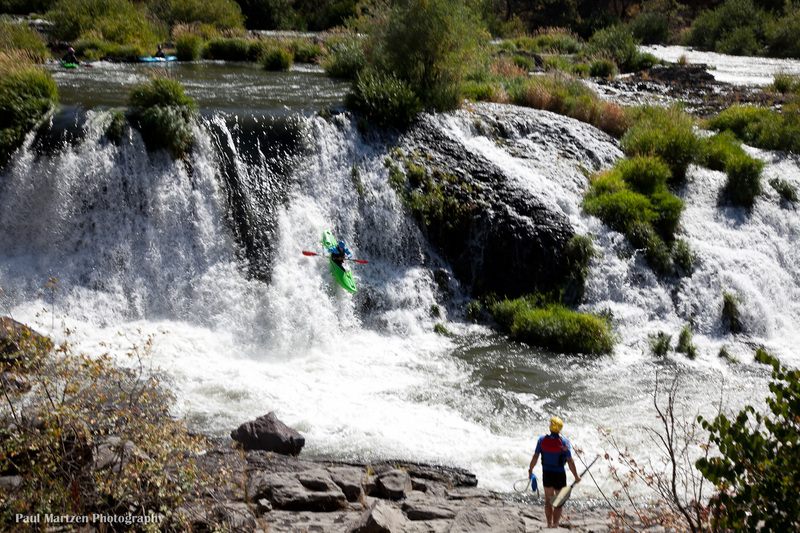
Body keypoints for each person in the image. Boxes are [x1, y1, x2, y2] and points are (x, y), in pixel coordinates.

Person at [528, 417, 581, 529]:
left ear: (550, 427)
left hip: (547, 473)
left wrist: (530, 470)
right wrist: (576, 476)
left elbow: (535, 456)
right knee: (559, 501)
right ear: (560, 428)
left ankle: (549, 524)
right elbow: (570, 461)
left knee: (548, 500)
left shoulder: (541, 440)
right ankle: (555, 525)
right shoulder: (564, 443)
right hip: (559, 475)